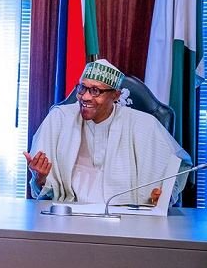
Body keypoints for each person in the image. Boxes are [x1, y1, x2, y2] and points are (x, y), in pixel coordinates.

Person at [25, 59, 190, 205]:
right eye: (82, 88)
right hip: (69, 214)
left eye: (96, 91)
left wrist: (164, 194)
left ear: (116, 95)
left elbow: (177, 166)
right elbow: (43, 191)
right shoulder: (59, 119)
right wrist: (40, 178)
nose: (85, 97)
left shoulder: (143, 124)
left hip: (126, 219)